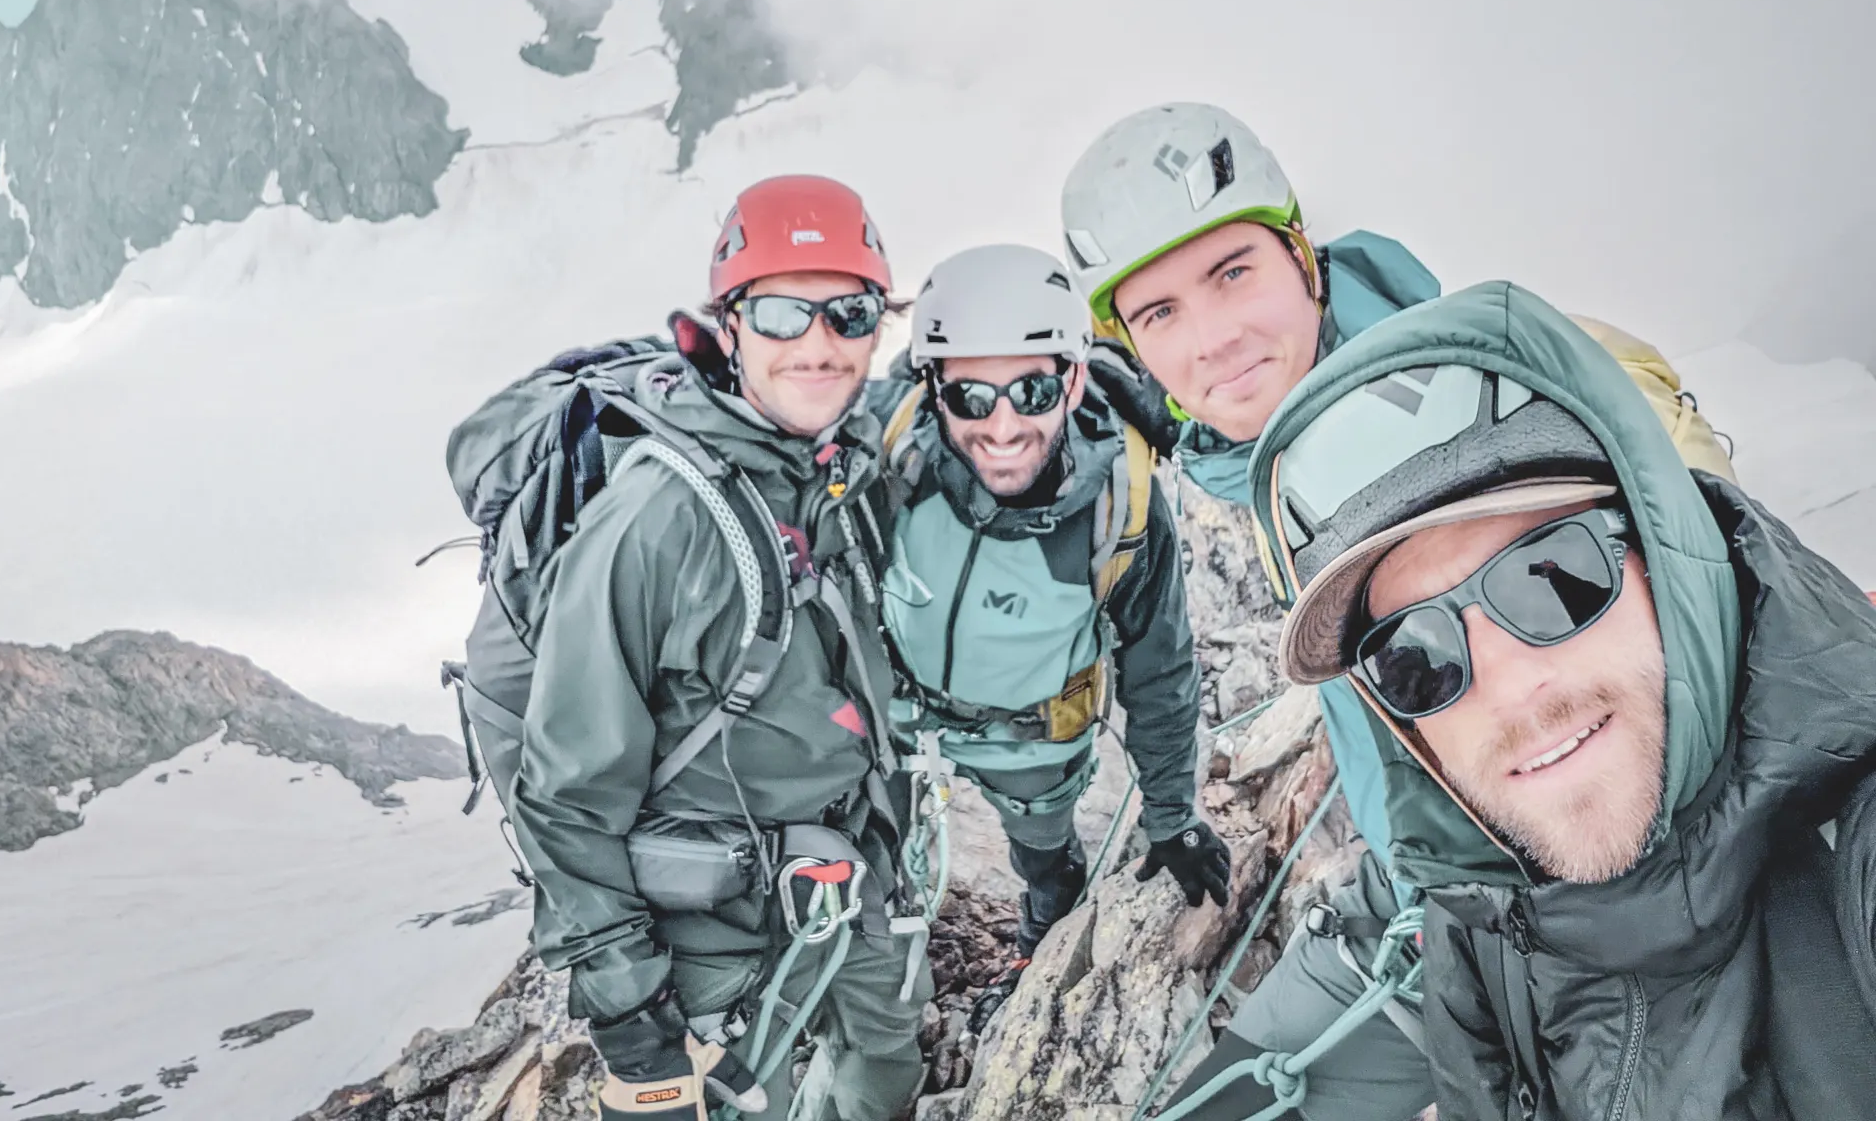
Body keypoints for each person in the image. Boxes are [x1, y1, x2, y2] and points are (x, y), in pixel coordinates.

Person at [1248, 280, 1876, 1121]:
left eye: (1554, 575)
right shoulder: (1480, 913)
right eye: (1413, 655)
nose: (1508, 688)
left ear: (1666, 548)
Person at [495, 175, 931, 1121]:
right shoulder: (653, 523)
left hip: (846, 873)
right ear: (728, 327)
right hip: (708, 934)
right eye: (781, 313)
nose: (818, 346)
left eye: (849, 314)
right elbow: (566, 797)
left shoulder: (842, 466)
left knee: (890, 1064)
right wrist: (632, 1019)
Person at [1061, 102, 1446, 1120]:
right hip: (1417, 900)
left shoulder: (1452, 416)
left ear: (1301, 258)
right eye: (1159, 316)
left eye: (1232, 274)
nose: (1213, 338)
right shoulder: (1290, 455)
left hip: (1546, 933)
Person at [868, 244, 1229, 1018]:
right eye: (969, 396)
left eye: (1032, 389)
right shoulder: (890, 451)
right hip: (892, 720)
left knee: (1045, 861)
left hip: (1034, 742)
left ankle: (1041, 944)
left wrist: (1171, 815)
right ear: (931, 388)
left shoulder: (1120, 510)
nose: (1002, 426)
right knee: (871, 842)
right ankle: (884, 969)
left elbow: (1159, 668)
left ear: (1073, 377)